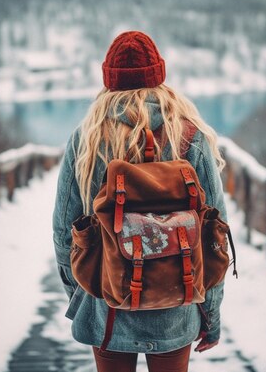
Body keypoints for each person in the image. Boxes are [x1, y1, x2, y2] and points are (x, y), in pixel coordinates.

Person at [52, 30, 227, 372]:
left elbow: (64, 231)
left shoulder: (88, 138)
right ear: (159, 76)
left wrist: (82, 294)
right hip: (177, 305)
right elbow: (214, 236)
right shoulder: (189, 135)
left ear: (109, 81)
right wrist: (211, 315)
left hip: (107, 309)